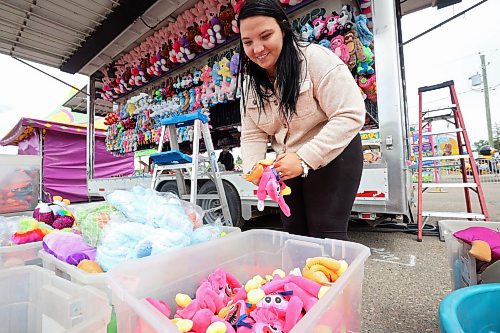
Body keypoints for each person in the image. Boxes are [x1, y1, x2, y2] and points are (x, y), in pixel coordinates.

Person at [238, 0, 366, 241]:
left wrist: (305, 158)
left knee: (326, 234)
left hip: (334, 154)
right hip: (286, 165)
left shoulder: (315, 59)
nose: (257, 49)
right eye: (247, 42)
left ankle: (337, 279)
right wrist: (254, 168)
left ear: (283, 30)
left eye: (265, 36)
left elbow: (350, 113)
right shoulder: (249, 84)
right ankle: (301, 281)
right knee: (295, 235)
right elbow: (252, 133)